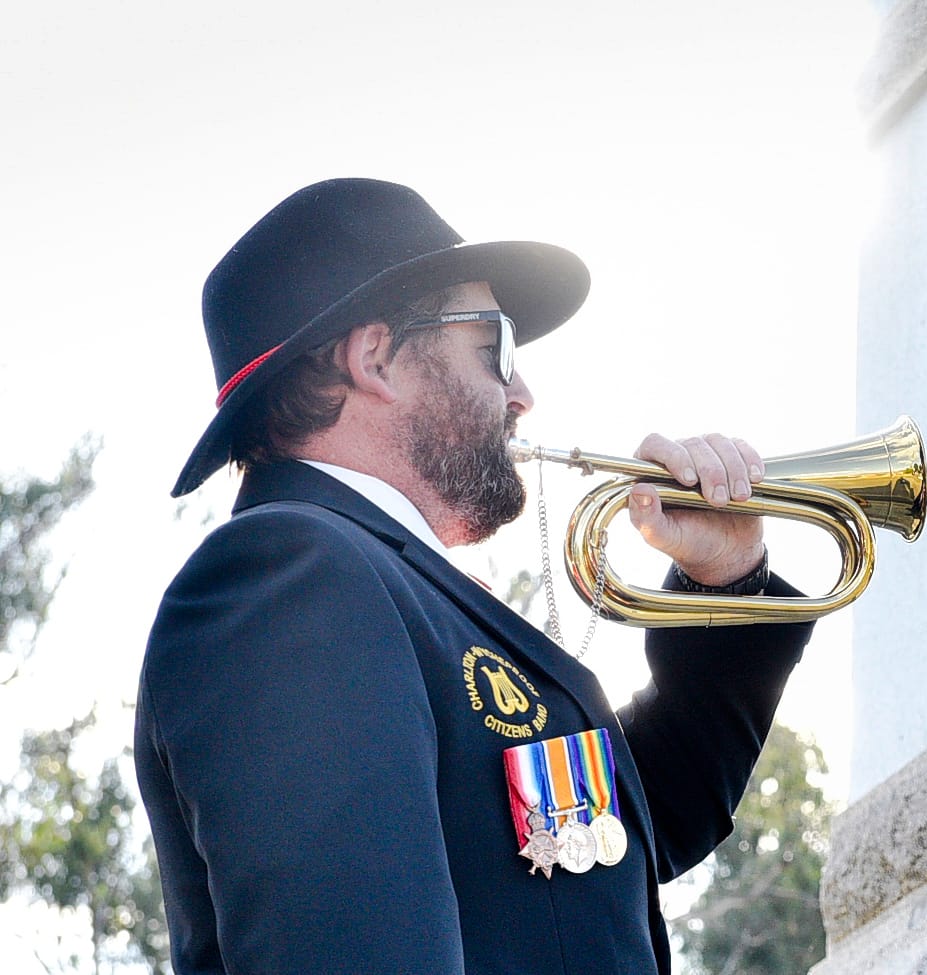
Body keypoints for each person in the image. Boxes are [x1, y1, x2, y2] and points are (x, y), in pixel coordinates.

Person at [134, 178, 814, 974]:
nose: (524, 393)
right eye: (497, 348)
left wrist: (726, 581)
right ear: (375, 358)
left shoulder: (368, 587)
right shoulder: (292, 577)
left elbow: (619, 834)